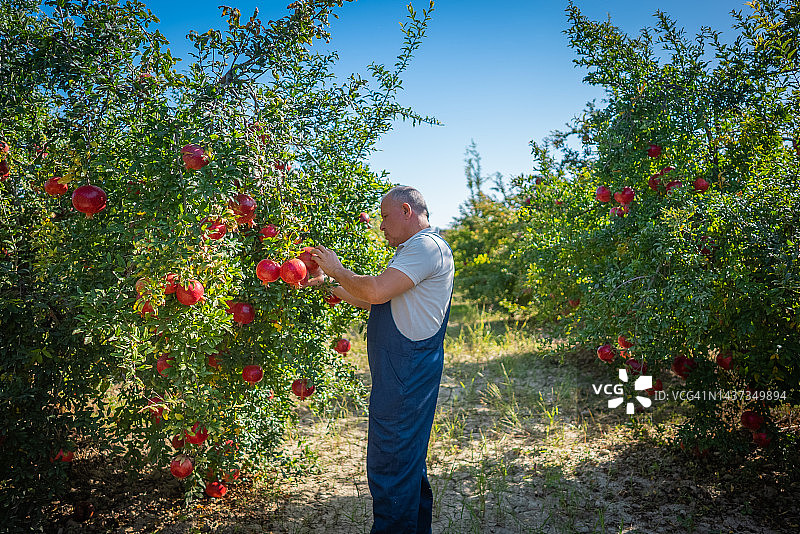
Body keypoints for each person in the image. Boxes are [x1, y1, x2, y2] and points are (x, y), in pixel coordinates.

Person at [311, 185, 454, 533]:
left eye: (385, 217)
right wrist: (323, 284)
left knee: (391, 467)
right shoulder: (414, 251)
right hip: (401, 373)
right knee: (405, 464)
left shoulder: (425, 247)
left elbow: (374, 289)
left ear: (406, 210)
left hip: (406, 374)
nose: (381, 226)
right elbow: (376, 300)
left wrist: (336, 269)